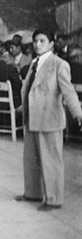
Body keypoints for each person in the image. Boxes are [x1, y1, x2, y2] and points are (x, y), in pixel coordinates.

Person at [17, 29, 82, 211]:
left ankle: (53, 199)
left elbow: (68, 91)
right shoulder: (34, 63)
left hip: (49, 118)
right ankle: (33, 192)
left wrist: (78, 114)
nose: (37, 44)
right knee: (31, 159)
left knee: (51, 161)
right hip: (32, 117)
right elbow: (28, 89)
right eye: (35, 41)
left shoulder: (59, 64)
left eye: (42, 41)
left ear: (51, 44)